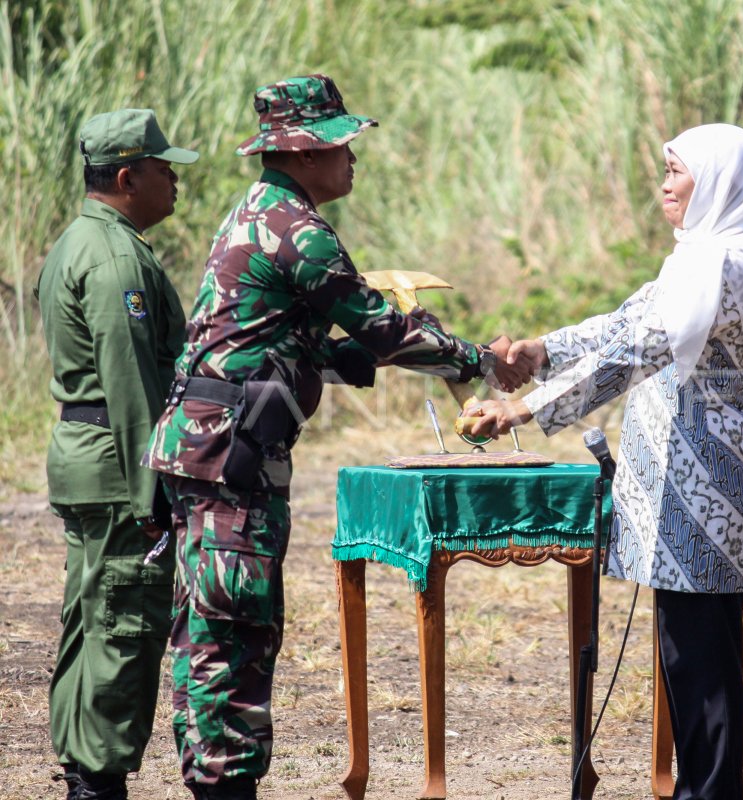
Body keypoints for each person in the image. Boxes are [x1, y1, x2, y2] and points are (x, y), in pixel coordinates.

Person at [141, 74, 532, 800]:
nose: (353, 155)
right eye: (341, 142)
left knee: (206, 632)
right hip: (230, 456)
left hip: (208, 448)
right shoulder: (297, 229)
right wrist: (481, 361)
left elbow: (282, 335)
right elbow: (378, 322)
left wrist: (345, 356)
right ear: (304, 150)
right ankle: (224, 787)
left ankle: (213, 782)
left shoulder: (260, 212)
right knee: (234, 630)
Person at [465, 123, 743, 799]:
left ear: (721, 183)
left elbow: (637, 352)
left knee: (700, 651)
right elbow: (627, 322)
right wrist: (543, 350)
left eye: (677, 172)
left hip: (699, 469)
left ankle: (707, 793)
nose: (664, 185)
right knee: (688, 647)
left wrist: (526, 409)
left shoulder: (721, 265)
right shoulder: (703, 257)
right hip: (680, 465)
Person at [35, 109, 198, 800]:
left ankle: (83, 767)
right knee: (123, 621)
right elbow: (131, 380)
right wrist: (155, 491)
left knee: (93, 614)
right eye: (165, 171)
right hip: (117, 463)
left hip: (90, 456)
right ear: (128, 176)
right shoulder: (114, 259)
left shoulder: (82, 240)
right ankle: (96, 780)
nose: (175, 184)